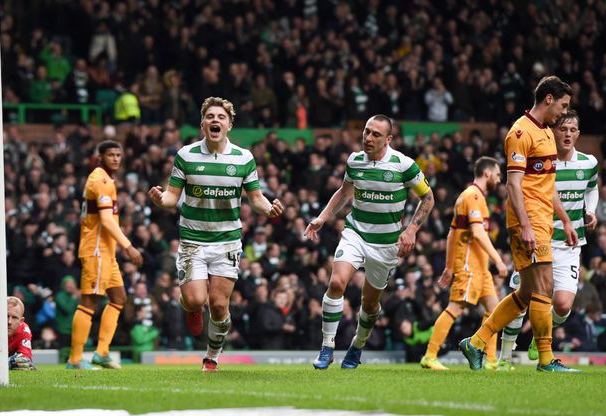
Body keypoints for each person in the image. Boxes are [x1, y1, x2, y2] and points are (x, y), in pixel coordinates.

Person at [149, 96, 283, 372]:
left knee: (220, 306)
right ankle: (192, 307)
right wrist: (160, 200)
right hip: (193, 240)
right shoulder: (186, 155)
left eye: (221, 117)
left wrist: (269, 209)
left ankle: (212, 356)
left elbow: (255, 198)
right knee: (197, 299)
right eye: (210, 116)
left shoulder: (243, 158)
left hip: (227, 241)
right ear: (202, 123)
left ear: (229, 125)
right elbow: (173, 198)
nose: (215, 121)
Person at [459, 76, 581, 373]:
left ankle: (475, 343)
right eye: (562, 106)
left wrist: (565, 220)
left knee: (527, 293)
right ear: (548, 99)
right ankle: (545, 359)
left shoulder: (548, 133)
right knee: (544, 287)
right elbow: (513, 186)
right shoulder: (519, 132)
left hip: (544, 219)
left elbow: (547, 185)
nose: (563, 113)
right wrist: (525, 226)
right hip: (529, 221)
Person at [307, 114, 434, 370]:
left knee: (370, 303)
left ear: (388, 139)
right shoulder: (354, 161)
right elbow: (345, 191)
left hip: (386, 244)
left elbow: (428, 198)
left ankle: (358, 344)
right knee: (336, 282)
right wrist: (322, 218)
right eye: (366, 131)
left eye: (376, 134)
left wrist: (411, 231)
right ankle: (327, 347)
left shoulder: (404, 165)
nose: (368, 137)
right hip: (356, 232)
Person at [498, 110, 599, 368]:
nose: (567, 134)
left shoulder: (588, 163)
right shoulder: (543, 158)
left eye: (572, 130)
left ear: (578, 133)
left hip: (568, 244)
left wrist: (590, 209)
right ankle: (504, 357)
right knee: (522, 297)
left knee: (563, 305)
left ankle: (540, 337)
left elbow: (592, 188)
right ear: (554, 131)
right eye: (563, 129)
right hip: (538, 234)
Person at [420, 157, 508, 370]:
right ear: (487, 173)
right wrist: (499, 261)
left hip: (479, 265)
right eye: (497, 174)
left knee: (493, 309)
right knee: (456, 307)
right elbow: (477, 233)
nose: (499, 178)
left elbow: (452, 234)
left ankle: (491, 361)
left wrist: (449, 266)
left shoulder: (469, 196)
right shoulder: (473, 196)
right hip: (470, 264)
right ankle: (430, 356)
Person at [66, 141, 143, 370]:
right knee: (88, 302)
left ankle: (101, 353)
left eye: (119, 155)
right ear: (100, 157)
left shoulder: (108, 180)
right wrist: (128, 246)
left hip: (107, 252)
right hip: (96, 250)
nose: (116, 159)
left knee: (119, 298)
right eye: (111, 155)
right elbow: (107, 220)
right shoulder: (99, 180)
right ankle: (75, 359)